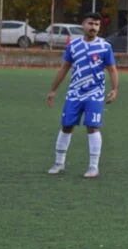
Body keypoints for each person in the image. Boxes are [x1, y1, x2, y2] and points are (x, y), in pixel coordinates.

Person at [45, 13, 119, 178]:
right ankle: (59, 163)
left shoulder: (105, 46)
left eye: (97, 25)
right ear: (83, 25)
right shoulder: (73, 46)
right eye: (91, 23)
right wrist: (53, 90)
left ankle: (93, 167)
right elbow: (64, 68)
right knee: (66, 126)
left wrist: (115, 89)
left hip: (95, 94)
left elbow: (112, 69)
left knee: (92, 127)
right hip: (74, 93)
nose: (94, 27)